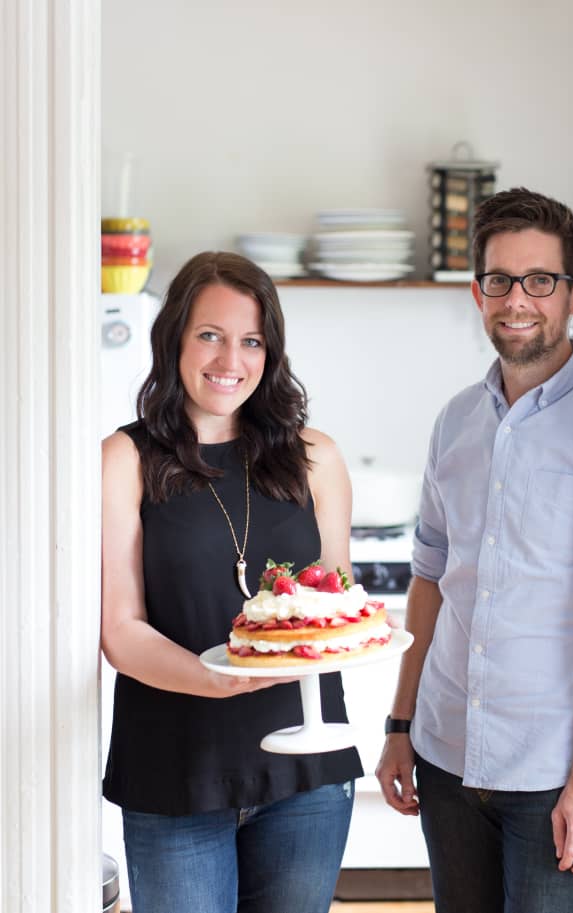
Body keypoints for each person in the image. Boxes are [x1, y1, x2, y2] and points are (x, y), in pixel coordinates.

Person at [376, 187, 573, 913]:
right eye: (499, 280)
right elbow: (429, 581)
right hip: (445, 755)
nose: (518, 299)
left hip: (551, 770)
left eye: (540, 280)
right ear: (477, 293)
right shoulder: (455, 420)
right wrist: (399, 726)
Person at [101, 251, 363, 913]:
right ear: (175, 340)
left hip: (307, 770)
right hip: (174, 771)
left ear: (269, 353)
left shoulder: (315, 458)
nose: (230, 359)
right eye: (210, 335)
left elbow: (337, 606)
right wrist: (215, 678)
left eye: (251, 340)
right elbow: (121, 628)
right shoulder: (124, 459)